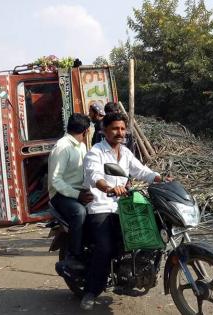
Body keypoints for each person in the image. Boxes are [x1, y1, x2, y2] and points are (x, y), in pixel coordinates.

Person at [80, 112, 163, 310]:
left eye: (123, 129)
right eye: (115, 129)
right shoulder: (96, 152)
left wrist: (159, 178)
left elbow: (141, 171)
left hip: (122, 206)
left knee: (150, 229)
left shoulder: (125, 152)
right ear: (104, 131)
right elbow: (95, 175)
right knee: (106, 247)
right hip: (101, 206)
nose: (120, 132)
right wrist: (108, 187)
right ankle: (91, 290)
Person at [48, 113, 94, 270]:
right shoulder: (62, 147)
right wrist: (78, 195)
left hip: (79, 192)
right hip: (61, 195)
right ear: (86, 131)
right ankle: (75, 255)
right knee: (79, 212)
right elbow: (55, 181)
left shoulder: (80, 145)